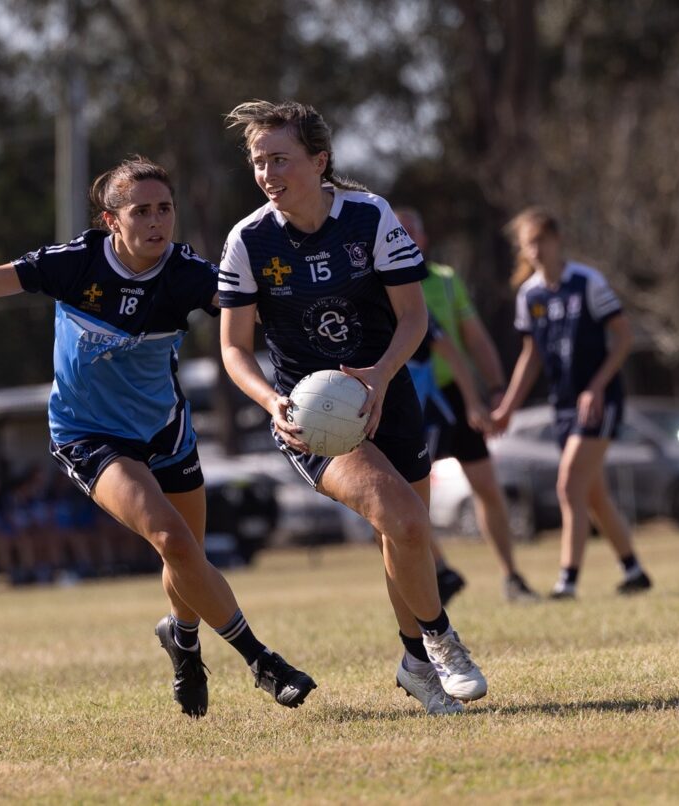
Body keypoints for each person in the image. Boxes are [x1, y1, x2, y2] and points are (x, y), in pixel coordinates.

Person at [0, 156, 316, 718]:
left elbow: (258, 315)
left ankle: (184, 642)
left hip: (166, 431)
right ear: (110, 220)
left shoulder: (189, 274)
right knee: (172, 540)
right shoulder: (74, 264)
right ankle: (261, 661)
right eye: (141, 211)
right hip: (89, 435)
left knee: (185, 558)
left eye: (164, 209)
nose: (156, 221)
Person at [219, 100, 487, 716]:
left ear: (319, 161)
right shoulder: (249, 240)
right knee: (408, 520)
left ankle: (414, 666)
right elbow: (233, 350)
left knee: (405, 535)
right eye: (258, 162)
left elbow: (415, 317)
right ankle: (442, 641)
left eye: (279, 159)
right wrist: (272, 402)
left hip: (387, 395)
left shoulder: (369, 216)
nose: (266, 173)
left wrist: (380, 375)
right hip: (311, 419)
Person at [491, 206, 652, 599]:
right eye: (528, 245)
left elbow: (624, 338)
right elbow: (531, 356)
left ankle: (568, 580)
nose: (534, 251)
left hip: (599, 402)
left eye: (539, 241)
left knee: (568, 486)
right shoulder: (529, 295)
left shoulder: (587, 282)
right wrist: (508, 406)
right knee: (592, 494)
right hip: (562, 404)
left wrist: (596, 386)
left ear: (556, 239)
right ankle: (634, 571)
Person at [394, 206, 540, 603]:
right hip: (408, 401)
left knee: (486, 487)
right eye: (396, 232)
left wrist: (491, 389)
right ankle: (440, 571)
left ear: (423, 239)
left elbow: (470, 341)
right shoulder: (380, 283)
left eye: (410, 232)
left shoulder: (444, 281)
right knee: (404, 497)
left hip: (455, 397)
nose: (404, 239)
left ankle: (512, 577)